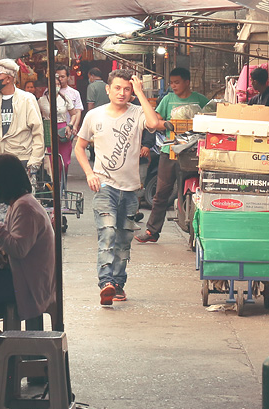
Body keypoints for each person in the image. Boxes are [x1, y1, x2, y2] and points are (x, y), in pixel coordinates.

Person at [74, 69, 164, 306]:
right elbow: (79, 147)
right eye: (117, 88)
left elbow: (154, 123)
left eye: (126, 89)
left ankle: (118, 284)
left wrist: (140, 93)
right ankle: (106, 283)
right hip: (105, 186)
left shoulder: (137, 113)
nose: (122, 93)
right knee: (108, 232)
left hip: (131, 189)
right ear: (108, 89)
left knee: (124, 240)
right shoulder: (94, 115)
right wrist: (89, 173)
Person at [0, 154, 57, 325]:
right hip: (25, 276)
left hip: (29, 283)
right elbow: (10, 234)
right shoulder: (19, 204)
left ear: (3, 183)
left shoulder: (25, 207)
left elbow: (18, 249)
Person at [136, 67, 210, 243]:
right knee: (161, 193)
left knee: (198, 192)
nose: (174, 86)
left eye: (177, 82)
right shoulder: (168, 99)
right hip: (168, 152)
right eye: (172, 82)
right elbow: (155, 121)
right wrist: (167, 124)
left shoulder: (199, 100)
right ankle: (152, 231)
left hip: (193, 152)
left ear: (187, 82)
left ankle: (201, 231)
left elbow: (211, 117)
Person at [0, 58, 45, 176]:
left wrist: (34, 161)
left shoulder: (27, 99)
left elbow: (37, 132)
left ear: (8, 78)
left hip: (21, 159)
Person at [51, 68, 84, 175]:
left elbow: (77, 111)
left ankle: (62, 184)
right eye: (58, 76)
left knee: (64, 160)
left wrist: (74, 126)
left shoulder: (74, 93)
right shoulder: (47, 93)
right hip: (52, 128)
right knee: (52, 160)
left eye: (62, 76)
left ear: (68, 77)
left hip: (67, 129)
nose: (60, 79)